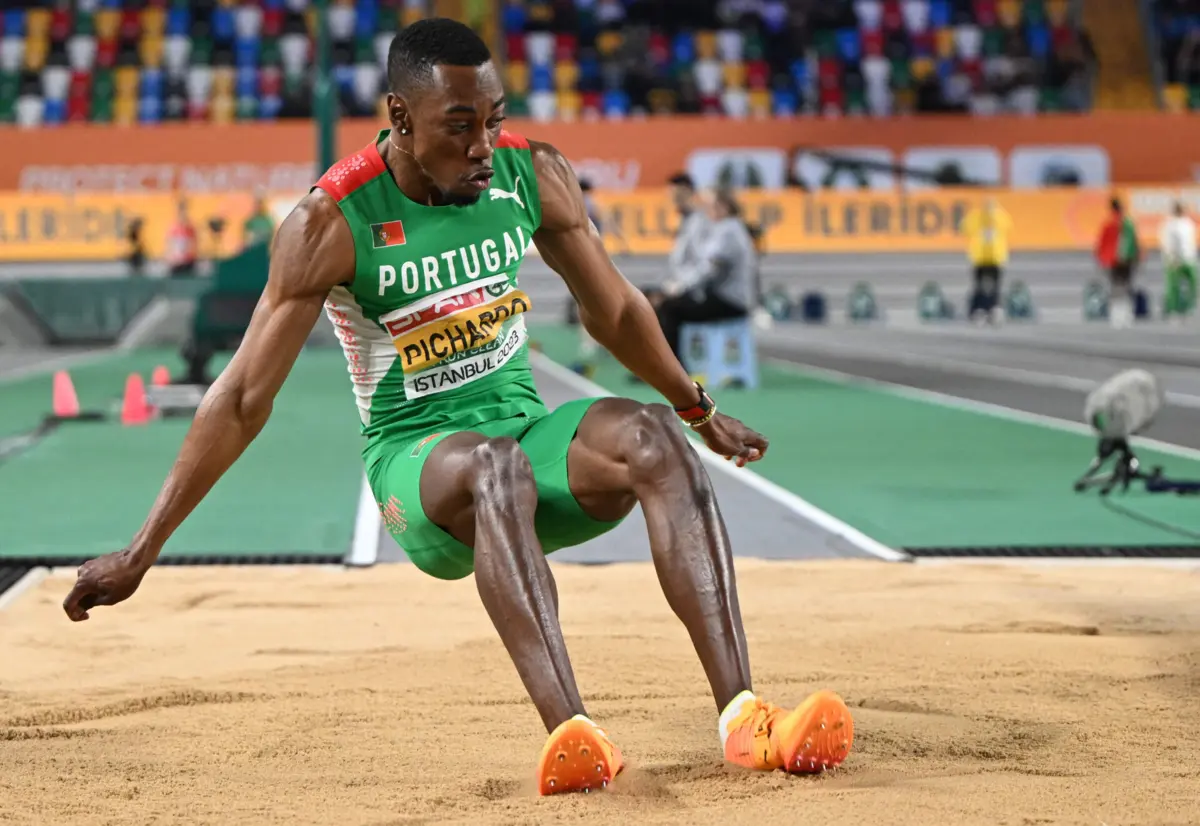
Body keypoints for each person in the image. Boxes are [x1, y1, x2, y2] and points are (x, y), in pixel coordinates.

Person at [60, 19, 852, 796]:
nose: (482, 146)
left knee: (651, 437)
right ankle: (573, 735)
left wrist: (697, 410)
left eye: (495, 120)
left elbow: (612, 310)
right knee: (490, 464)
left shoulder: (528, 173)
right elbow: (239, 399)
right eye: (460, 126)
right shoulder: (330, 223)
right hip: (421, 468)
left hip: (525, 436)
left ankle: (746, 720)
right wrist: (142, 549)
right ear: (399, 120)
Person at [656, 187, 757, 361]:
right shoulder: (724, 229)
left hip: (731, 301)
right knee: (668, 304)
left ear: (723, 206)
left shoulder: (729, 231)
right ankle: (666, 362)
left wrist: (681, 286)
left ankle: (674, 366)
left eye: (709, 206)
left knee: (670, 309)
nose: (706, 211)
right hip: (722, 296)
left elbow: (709, 269)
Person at [960, 197, 1013, 324]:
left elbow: (963, 228)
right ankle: (982, 309)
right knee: (982, 286)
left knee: (991, 286)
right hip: (984, 257)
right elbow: (964, 228)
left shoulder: (994, 218)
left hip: (991, 257)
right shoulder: (995, 217)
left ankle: (989, 309)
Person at [1094, 197, 1141, 329]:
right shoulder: (1128, 223)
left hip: (1112, 260)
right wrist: (1137, 258)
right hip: (1127, 259)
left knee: (1115, 287)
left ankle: (1116, 316)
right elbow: (1135, 242)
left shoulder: (1108, 224)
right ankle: (1127, 315)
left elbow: (1101, 243)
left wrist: (1101, 258)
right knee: (1127, 286)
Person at [1158, 200, 1197, 322]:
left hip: (1188, 258)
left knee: (1194, 283)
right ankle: (1174, 310)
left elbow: (1190, 242)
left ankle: (1188, 307)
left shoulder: (1188, 223)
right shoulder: (1169, 224)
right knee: (1173, 286)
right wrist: (1171, 258)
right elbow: (1167, 243)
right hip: (1174, 260)